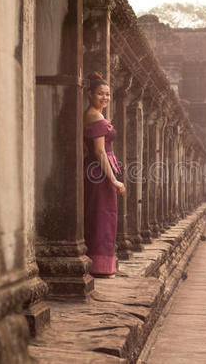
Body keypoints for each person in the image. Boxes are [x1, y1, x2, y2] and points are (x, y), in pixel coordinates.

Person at [83, 72, 125, 279]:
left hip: (99, 170)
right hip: (99, 172)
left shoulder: (95, 114)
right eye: (100, 94)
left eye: (108, 94)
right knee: (102, 216)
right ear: (89, 94)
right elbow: (99, 151)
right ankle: (99, 266)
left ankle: (102, 264)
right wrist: (114, 179)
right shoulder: (94, 115)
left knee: (103, 215)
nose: (105, 98)